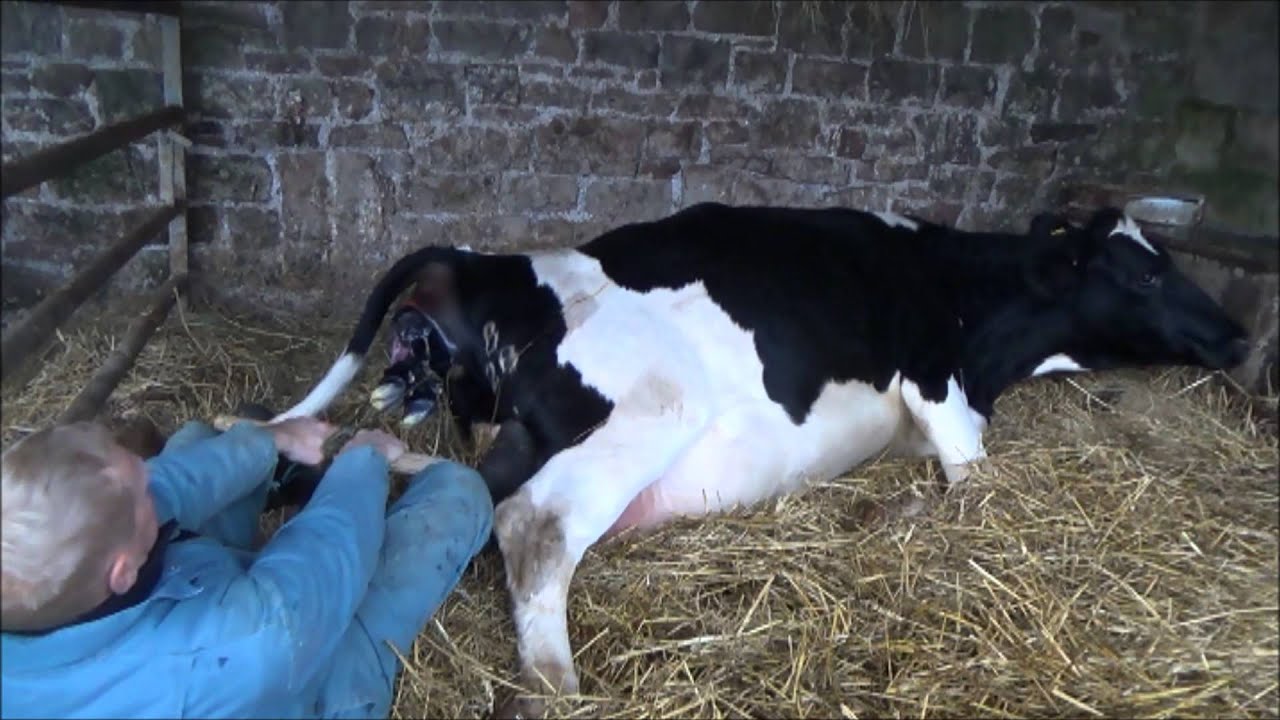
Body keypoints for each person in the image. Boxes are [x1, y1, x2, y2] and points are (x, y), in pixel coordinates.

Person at [1, 413, 495, 719]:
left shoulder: (36, 577)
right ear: (123, 571)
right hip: (301, 679)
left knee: (201, 439)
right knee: (460, 493)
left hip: (190, 599)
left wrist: (269, 440)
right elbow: (319, 565)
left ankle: (278, 468)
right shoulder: (237, 645)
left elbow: (166, 482)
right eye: (141, 490)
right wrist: (363, 462)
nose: (152, 480)